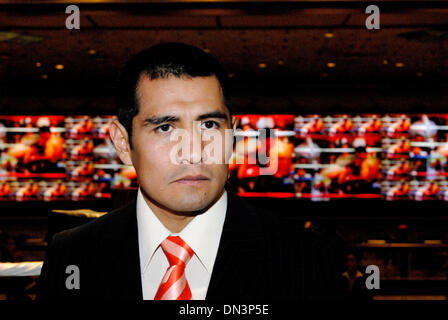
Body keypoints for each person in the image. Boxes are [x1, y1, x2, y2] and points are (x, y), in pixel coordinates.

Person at [38, 42, 343, 300]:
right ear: (121, 142)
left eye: (210, 125)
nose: (194, 150)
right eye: (165, 127)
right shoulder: (73, 256)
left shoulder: (305, 259)